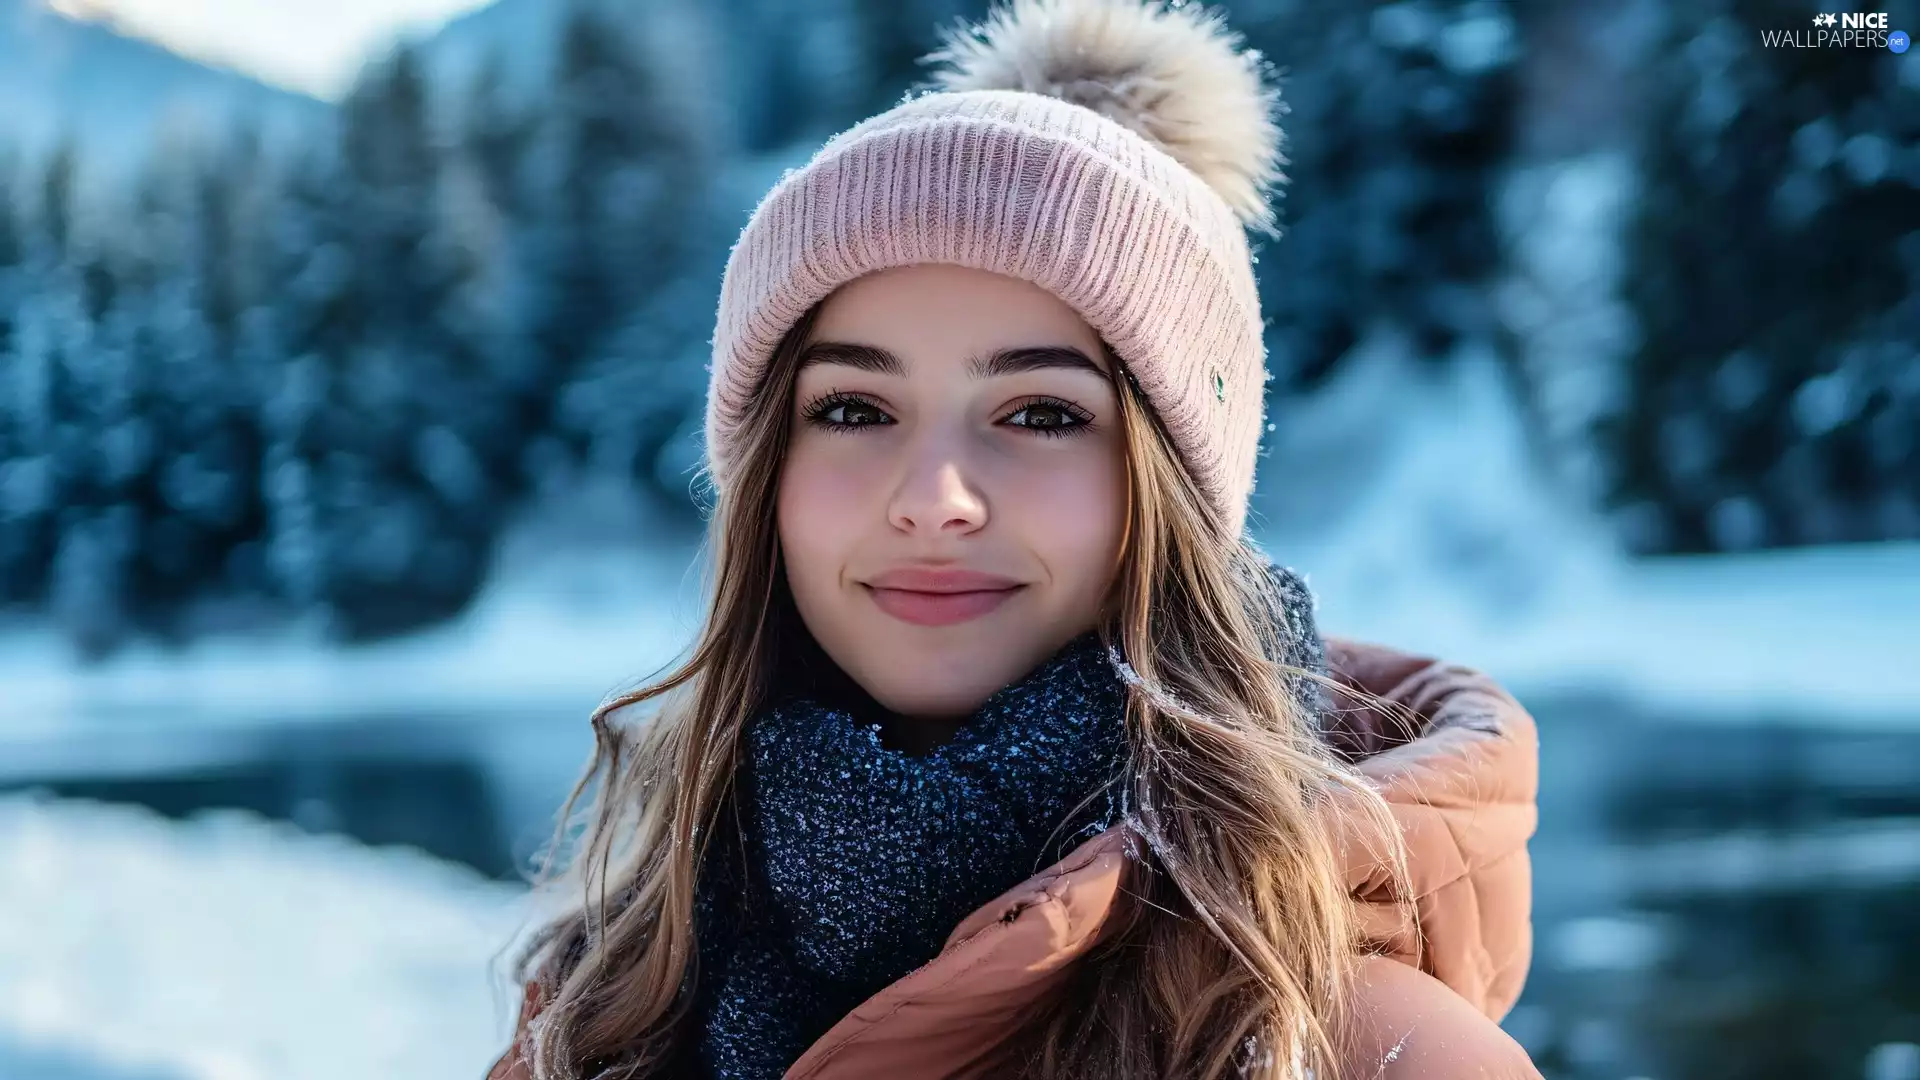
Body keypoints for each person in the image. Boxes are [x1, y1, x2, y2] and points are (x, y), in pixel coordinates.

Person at [486, 0, 1543, 1076]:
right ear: (766, 475)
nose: (934, 498)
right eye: (853, 409)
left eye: (1043, 414)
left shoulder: (1354, 1048)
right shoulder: (607, 999)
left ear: (1169, 488)